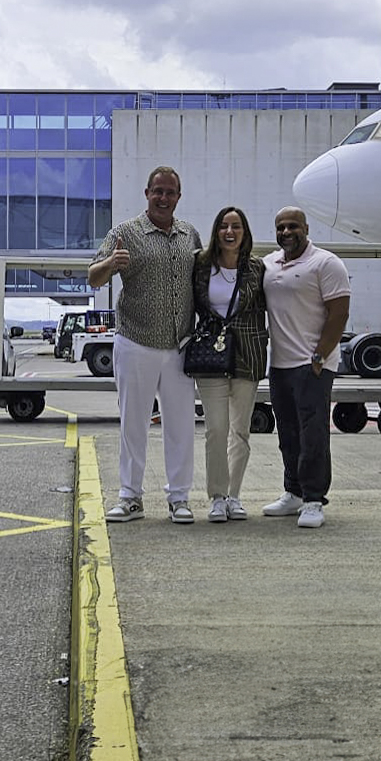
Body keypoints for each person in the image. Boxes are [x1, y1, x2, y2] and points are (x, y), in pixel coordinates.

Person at [89, 166, 202, 524]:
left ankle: (179, 497)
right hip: (136, 341)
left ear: (179, 196)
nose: (164, 198)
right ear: (146, 193)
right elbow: (93, 277)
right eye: (158, 191)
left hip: (180, 344)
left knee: (181, 424)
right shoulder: (125, 232)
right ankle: (130, 496)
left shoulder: (190, 235)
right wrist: (111, 262)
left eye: (170, 192)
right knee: (133, 423)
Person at [261, 207, 350, 528]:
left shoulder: (325, 263)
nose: (287, 232)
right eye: (281, 227)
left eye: (293, 226)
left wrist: (319, 357)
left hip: (313, 364)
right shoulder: (269, 264)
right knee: (287, 432)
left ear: (306, 228)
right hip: (280, 364)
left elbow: (339, 314)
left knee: (313, 433)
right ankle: (294, 493)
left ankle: (314, 500)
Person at [192, 206, 268, 522]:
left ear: (244, 232)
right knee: (216, 429)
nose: (229, 232)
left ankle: (234, 495)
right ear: (216, 231)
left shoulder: (258, 268)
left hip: (248, 353)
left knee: (240, 431)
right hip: (211, 353)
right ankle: (217, 497)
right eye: (224, 225)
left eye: (236, 226)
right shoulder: (200, 266)